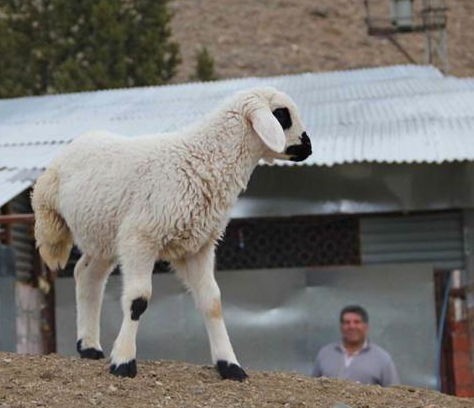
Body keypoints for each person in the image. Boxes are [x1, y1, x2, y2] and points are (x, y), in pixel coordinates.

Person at [312, 305, 400, 386]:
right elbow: (312, 388)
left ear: (366, 326)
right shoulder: (325, 353)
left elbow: (395, 394)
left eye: (357, 322)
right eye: (347, 322)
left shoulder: (382, 359)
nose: (352, 326)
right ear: (341, 327)